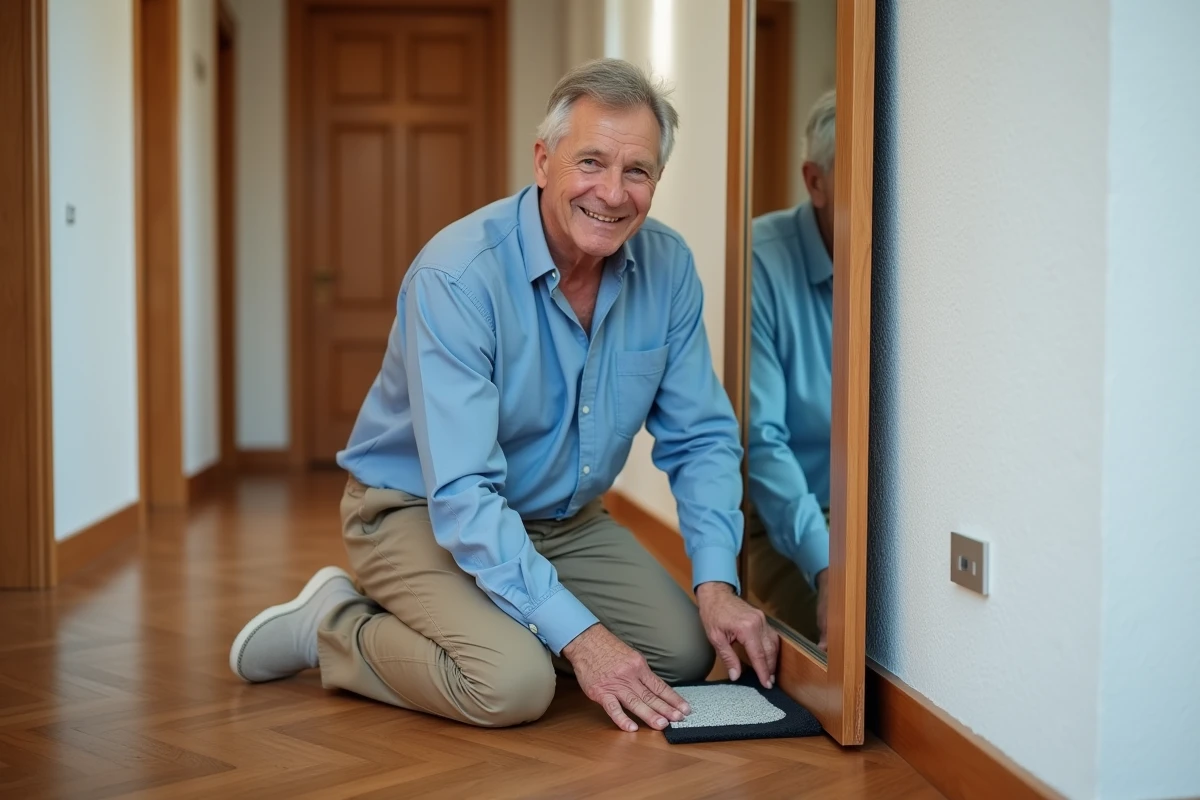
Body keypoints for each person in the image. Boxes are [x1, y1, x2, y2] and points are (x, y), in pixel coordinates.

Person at [229, 58, 779, 733]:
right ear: (543, 161)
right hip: (419, 511)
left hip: (564, 520)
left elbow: (701, 438)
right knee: (511, 685)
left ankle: (510, 618)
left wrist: (716, 584)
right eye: (591, 162)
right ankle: (335, 626)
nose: (612, 193)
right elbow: (462, 493)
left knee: (686, 653)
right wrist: (582, 638)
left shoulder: (668, 268)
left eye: (637, 171)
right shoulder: (457, 276)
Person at [745, 89, 836, 649]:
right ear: (815, 181)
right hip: (785, 518)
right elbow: (762, 441)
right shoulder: (761, 258)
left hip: (874, 521)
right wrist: (827, 567)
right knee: (862, 649)